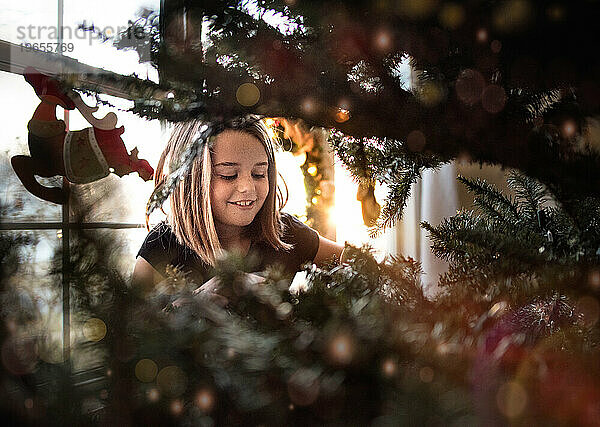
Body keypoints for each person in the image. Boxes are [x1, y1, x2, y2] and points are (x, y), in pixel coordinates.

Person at [132, 117, 344, 297]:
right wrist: (194, 303)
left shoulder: (286, 233)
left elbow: (363, 264)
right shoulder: (162, 245)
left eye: (259, 174)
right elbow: (129, 335)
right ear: (192, 179)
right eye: (228, 175)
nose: (248, 188)